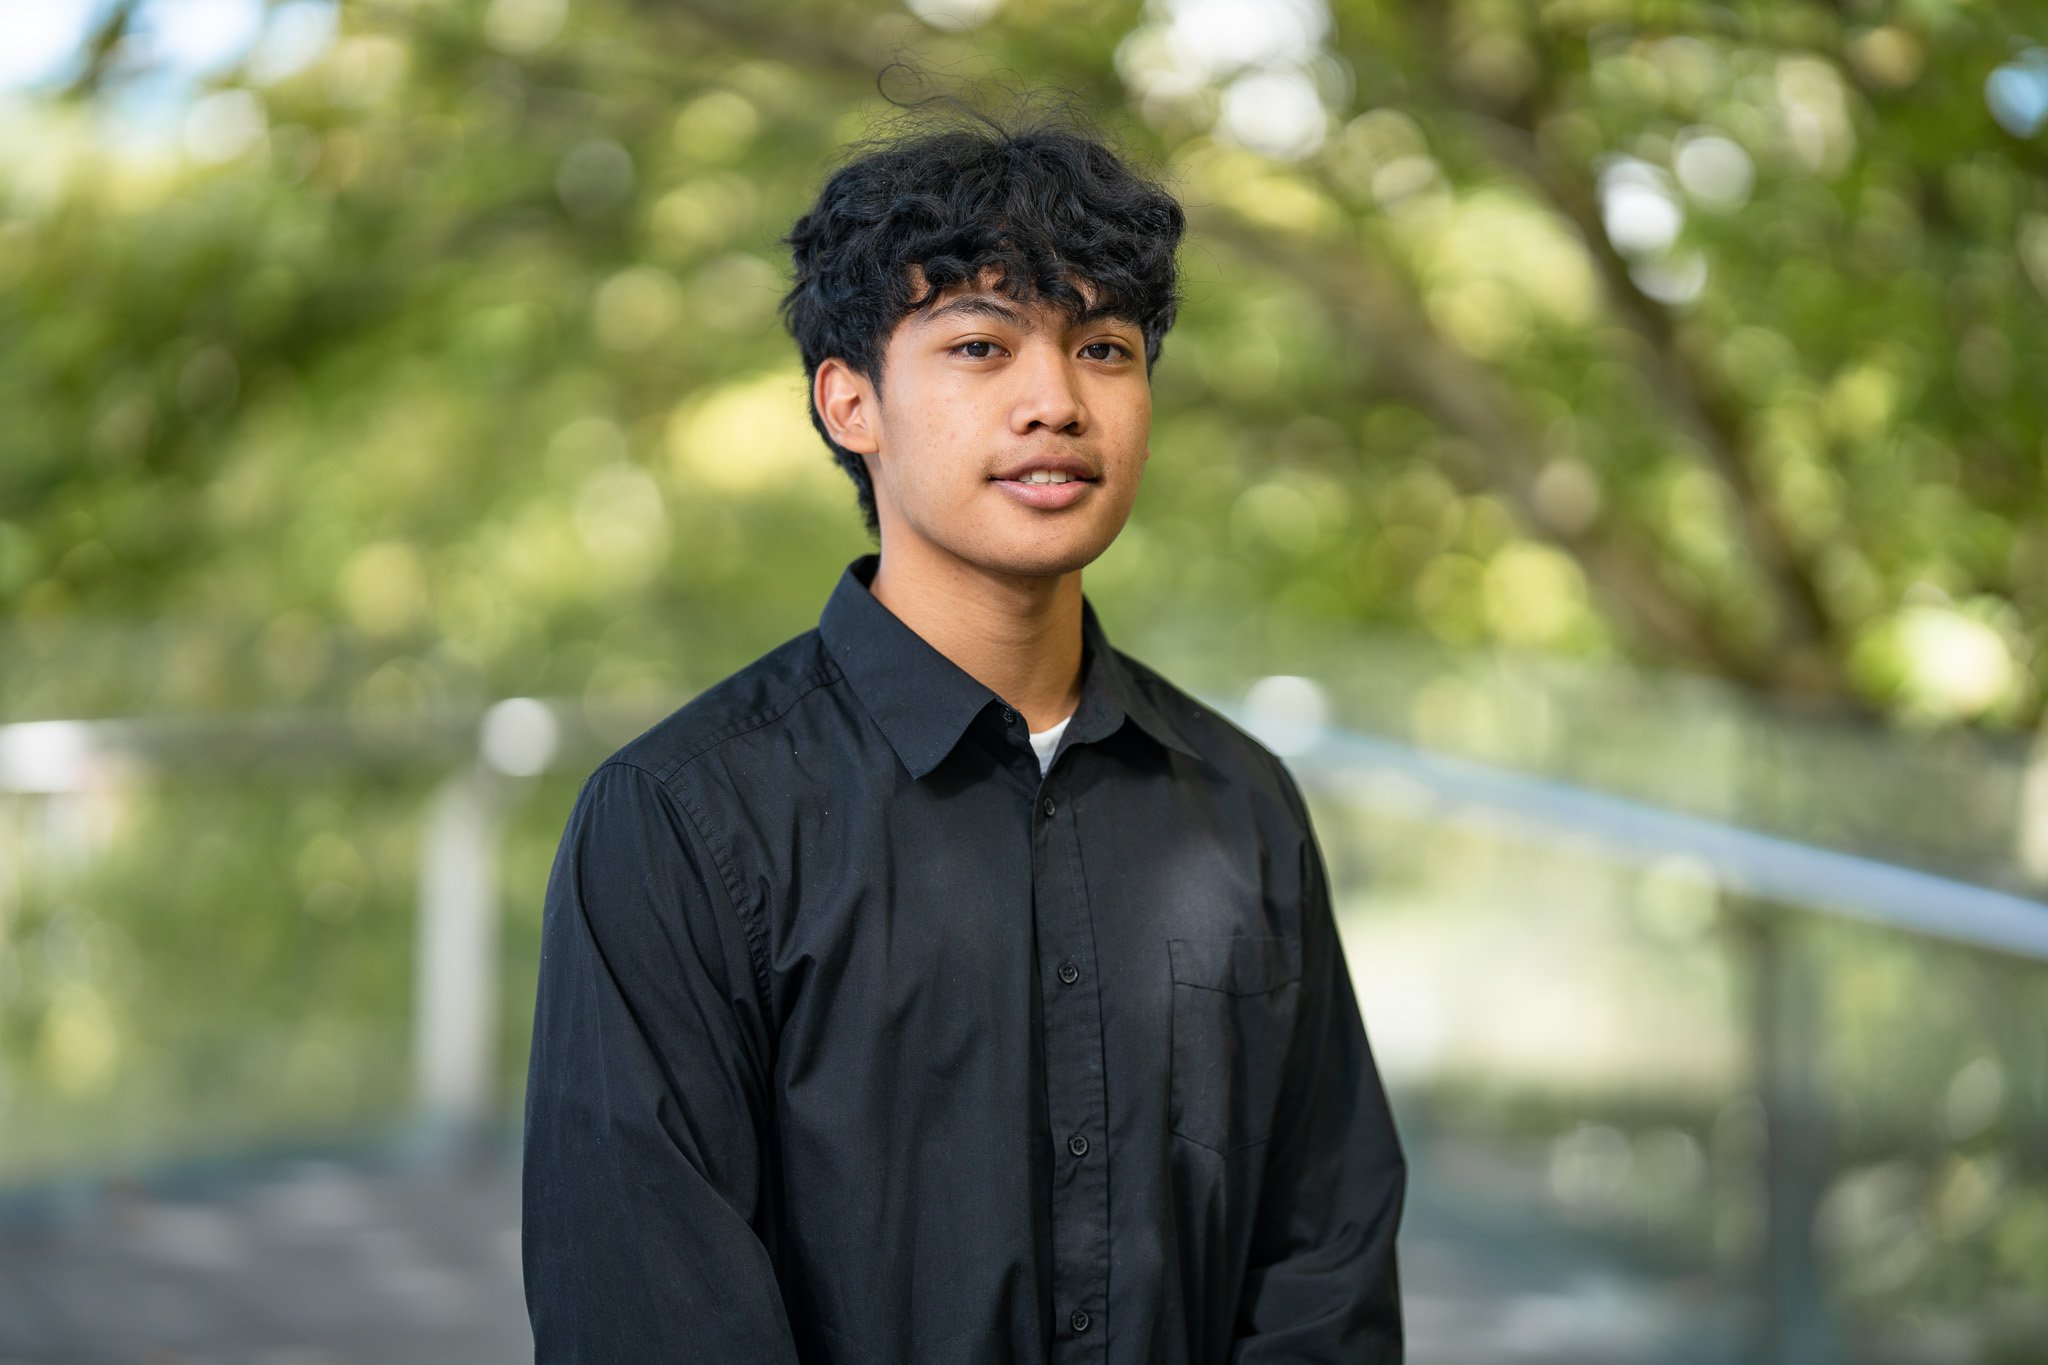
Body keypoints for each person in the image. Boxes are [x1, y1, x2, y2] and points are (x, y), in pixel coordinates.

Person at [521, 103, 1406, 1363]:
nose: (1055, 401)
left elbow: (1326, 1270)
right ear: (849, 403)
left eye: (1103, 348)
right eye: (981, 346)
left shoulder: (1238, 800)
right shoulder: (682, 822)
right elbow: (646, 1313)